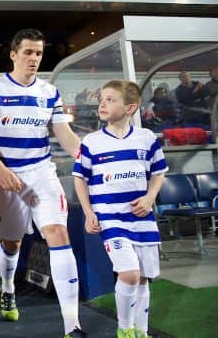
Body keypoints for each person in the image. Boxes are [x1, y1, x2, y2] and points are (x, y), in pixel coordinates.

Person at [0, 28, 86, 338]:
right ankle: (8, 287)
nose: (34, 58)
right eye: (28, 52)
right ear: (13, 54)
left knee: (58, 233)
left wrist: (89, 157)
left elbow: (64, 134)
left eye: (38, 53)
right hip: (7, 177)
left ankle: (72, 325)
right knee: (12, 243)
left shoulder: (49, 92)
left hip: (41, 173)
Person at [73, 80, 167, 338]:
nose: (102, 104)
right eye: (102, 99)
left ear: (130, 107)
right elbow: (79, 178)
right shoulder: (91, 142)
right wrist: (89, 212)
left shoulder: (146, 138)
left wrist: (149, 197)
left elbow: (159, 173)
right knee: (129, 273)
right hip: (110, 218)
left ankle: (141, 330)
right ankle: (124, 328)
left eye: (111, 99)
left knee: (144, 278)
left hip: (142, 217)